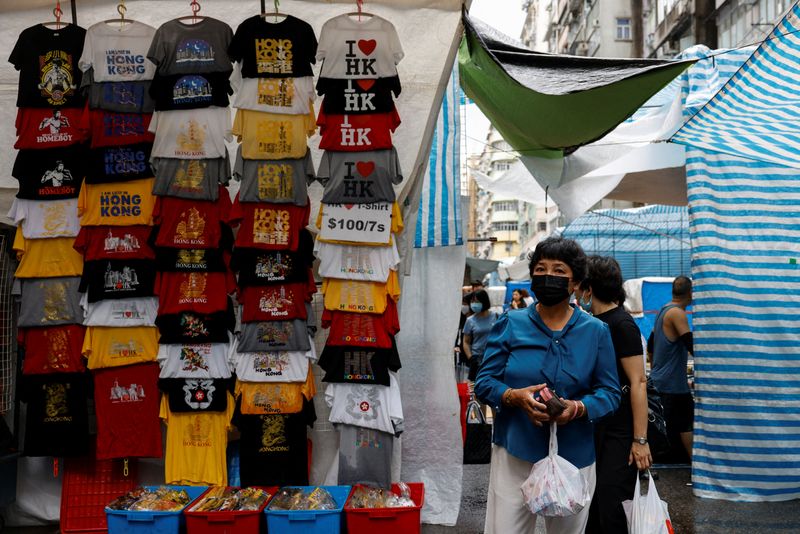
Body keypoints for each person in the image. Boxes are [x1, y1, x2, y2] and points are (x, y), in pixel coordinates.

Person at [474, 237, 621, 534]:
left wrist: (577, 408)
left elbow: (610, 393)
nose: (547, 276)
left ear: (575, 282)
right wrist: (514, 396)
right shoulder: (510, 323)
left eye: (558, 270)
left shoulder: (596, 331)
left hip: (574, 456)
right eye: (540, 269)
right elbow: (484, 382)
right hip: (516, 449)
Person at [578, 256, 651, 534]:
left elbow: (638, 382)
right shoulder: (592, 322)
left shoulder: (621, 324)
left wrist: (640, 440)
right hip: (597, 428)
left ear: (589, 287)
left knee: (613, 509)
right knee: (593, 509)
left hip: (621, 432)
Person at [648, 275, 694, 461]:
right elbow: (690, 344)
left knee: (673, 425)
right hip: (673, 384)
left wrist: (655, 366)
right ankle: (696, 467)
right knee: (686, 424)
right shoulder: (677, 313)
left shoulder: (662, 310)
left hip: (661, 380)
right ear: (690, 293)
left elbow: (651, 344)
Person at [462, 289, 496, 382]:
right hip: (477, 359)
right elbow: (465, 342)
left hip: (493, 357)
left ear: (484, 301)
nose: (474, 304)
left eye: (477, 301)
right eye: (472, 301)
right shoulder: (470, 320)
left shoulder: (496, 316)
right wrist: (471, 357)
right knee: (476, 387)